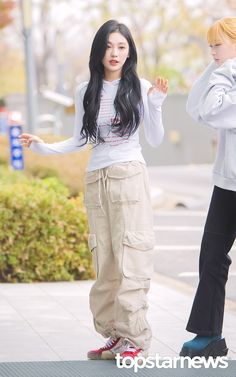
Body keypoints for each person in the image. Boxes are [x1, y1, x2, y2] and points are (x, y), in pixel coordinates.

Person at [20, 20, 168, 361]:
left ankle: (136, 340)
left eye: (121, 47)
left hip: (129, 175)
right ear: (98, 50)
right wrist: (44, 148)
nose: (114, 53)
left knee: (132, 257)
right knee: (105, 261)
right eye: (108, 46)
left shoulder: (139, 87)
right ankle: (114, 334)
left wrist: (156, 104)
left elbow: (156, 140)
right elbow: (81, 139)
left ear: (129, 52)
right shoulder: (85, 90)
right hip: (96, 178)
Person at [180, 17, 236, 358]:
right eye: (210, 45)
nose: (212, 51)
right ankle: (209, 334)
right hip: (227, 184)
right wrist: (220, 67)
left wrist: (226, 70)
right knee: (211, 257)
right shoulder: (224, 73)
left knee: (213, 257)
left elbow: (215, 112)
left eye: (218, 44)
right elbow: (195, 108)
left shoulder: (228, 76)